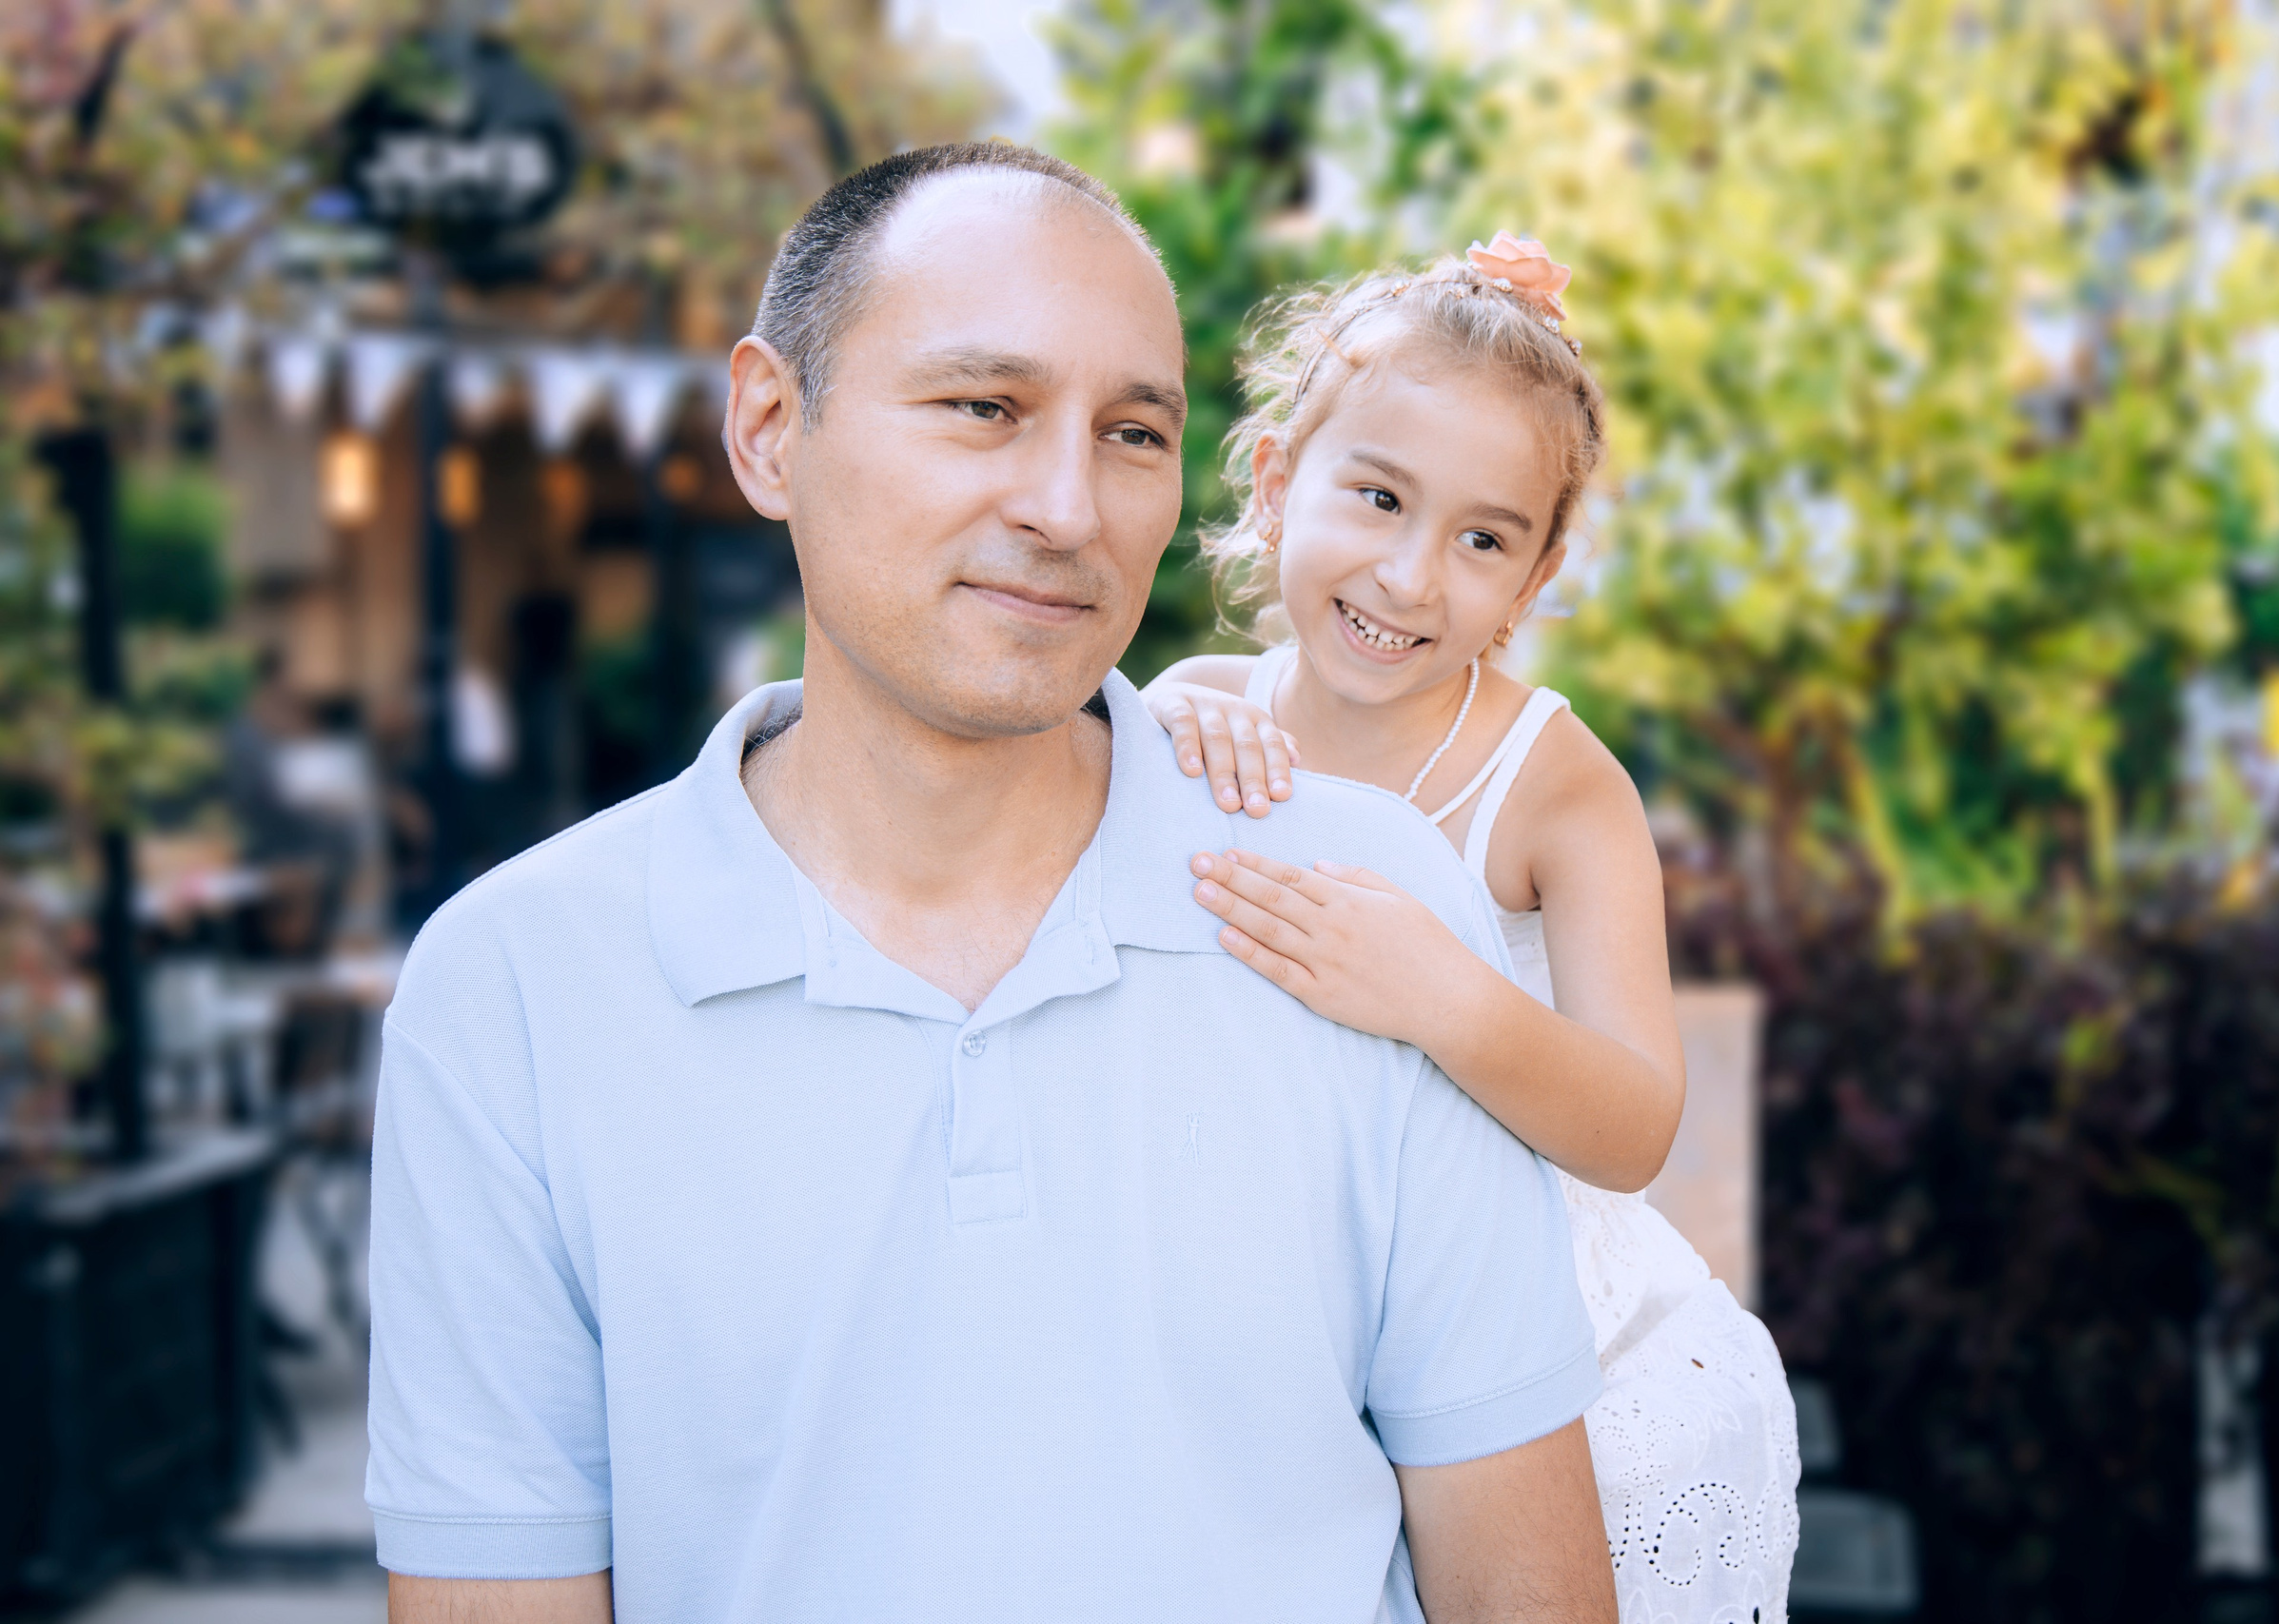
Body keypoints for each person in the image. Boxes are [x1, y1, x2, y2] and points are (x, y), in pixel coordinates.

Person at [369, 145, 1617, 1624]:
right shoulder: (514, 987)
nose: (1067, 508)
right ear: (767, 430)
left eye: (1134, 434)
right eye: (984, 407)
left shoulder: (1371, 909)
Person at [1140, 236, 1802, 1622]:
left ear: (1536, 574)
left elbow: (1635, 1125)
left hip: (1540, 1333)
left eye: (1482, 540)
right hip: (1281, 1298)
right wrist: (1152, 748)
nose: (1409, 576)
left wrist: (1441, 994)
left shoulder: (1554, 787)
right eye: (1378, 498)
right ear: (1277, 481)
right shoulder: (1195, 715)